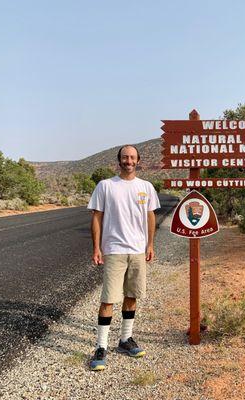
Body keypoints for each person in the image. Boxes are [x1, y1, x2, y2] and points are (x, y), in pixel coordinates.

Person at [86, 144, 160, 371]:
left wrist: (150, 244)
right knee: (108, 299)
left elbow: (150, 218)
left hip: (137, 250)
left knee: (132, 295)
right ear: (118, 161)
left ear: (139, 161)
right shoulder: (106, 186)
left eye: (132, 157)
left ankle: (125, 340)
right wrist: (96, 248)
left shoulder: (146, 187)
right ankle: (101, 347)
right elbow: (97, 218)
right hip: (115, 250)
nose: (128, 160)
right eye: (125, 157)